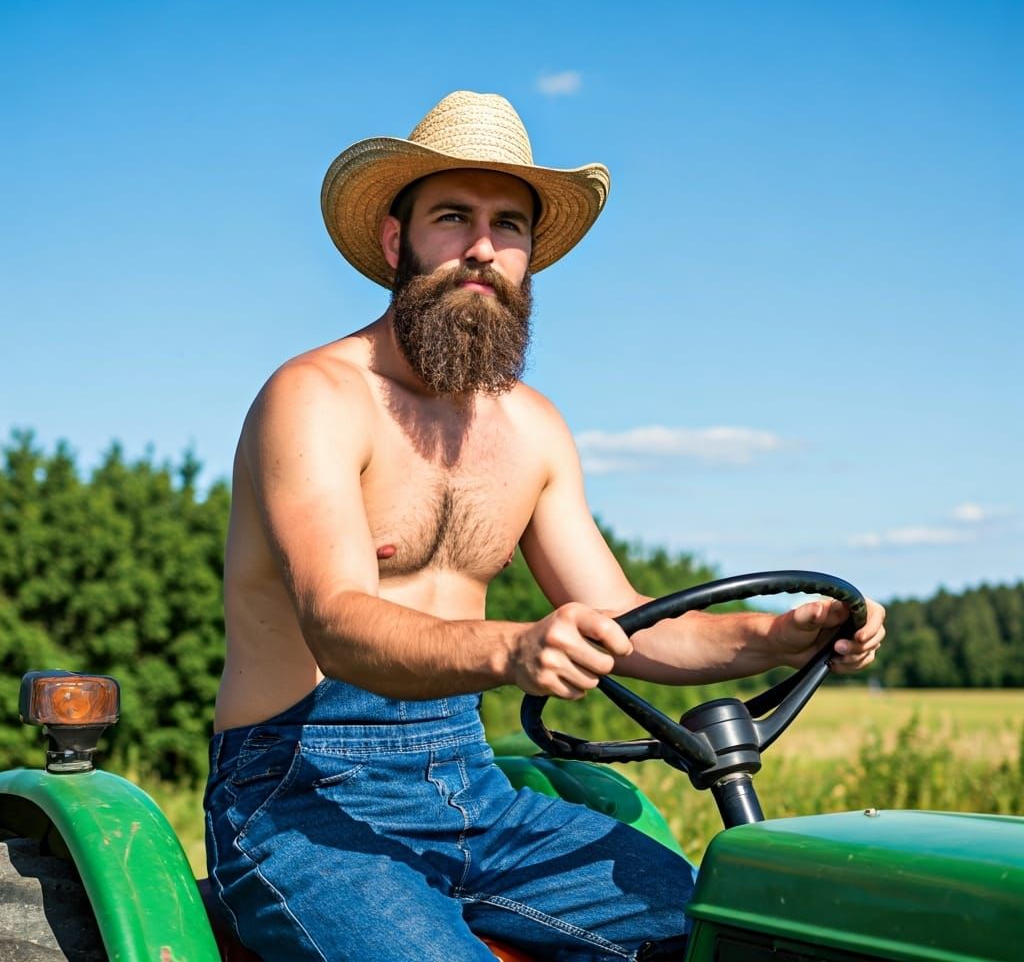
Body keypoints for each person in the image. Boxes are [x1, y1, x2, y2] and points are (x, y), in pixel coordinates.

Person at [204, 90, 886, 962]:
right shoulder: (316, 398)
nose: (483, 249)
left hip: (471, 785)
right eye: (453, 217)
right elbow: (338, 624)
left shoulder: (531, 427)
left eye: (509, 227)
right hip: (302, 792)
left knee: (725, 929)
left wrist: (782, 634)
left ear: (532, 256)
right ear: (393, 240)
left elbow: (628, 624)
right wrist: (515, 650)